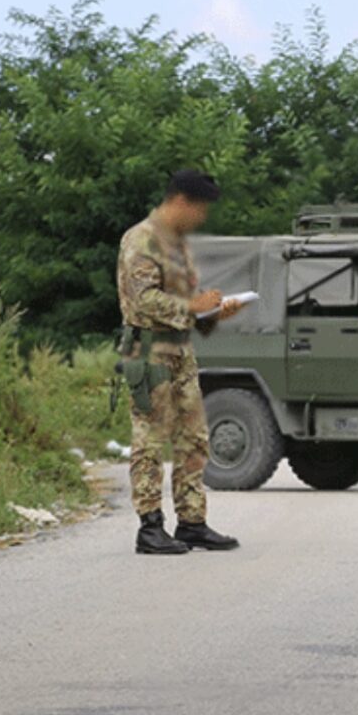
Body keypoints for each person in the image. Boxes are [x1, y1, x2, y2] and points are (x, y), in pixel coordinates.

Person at [116, 169, 243, 555]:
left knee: (193, 439)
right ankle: (150, 527)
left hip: (181, 352)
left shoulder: (178, 246)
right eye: (201, 209)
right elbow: (143, 301)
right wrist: (193, 307)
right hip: (151, 352)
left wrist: (213, 313)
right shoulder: (141, 239)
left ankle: (191, 522)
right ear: (181, 202)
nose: (202, 218)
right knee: (151, 440)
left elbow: (186, 305)